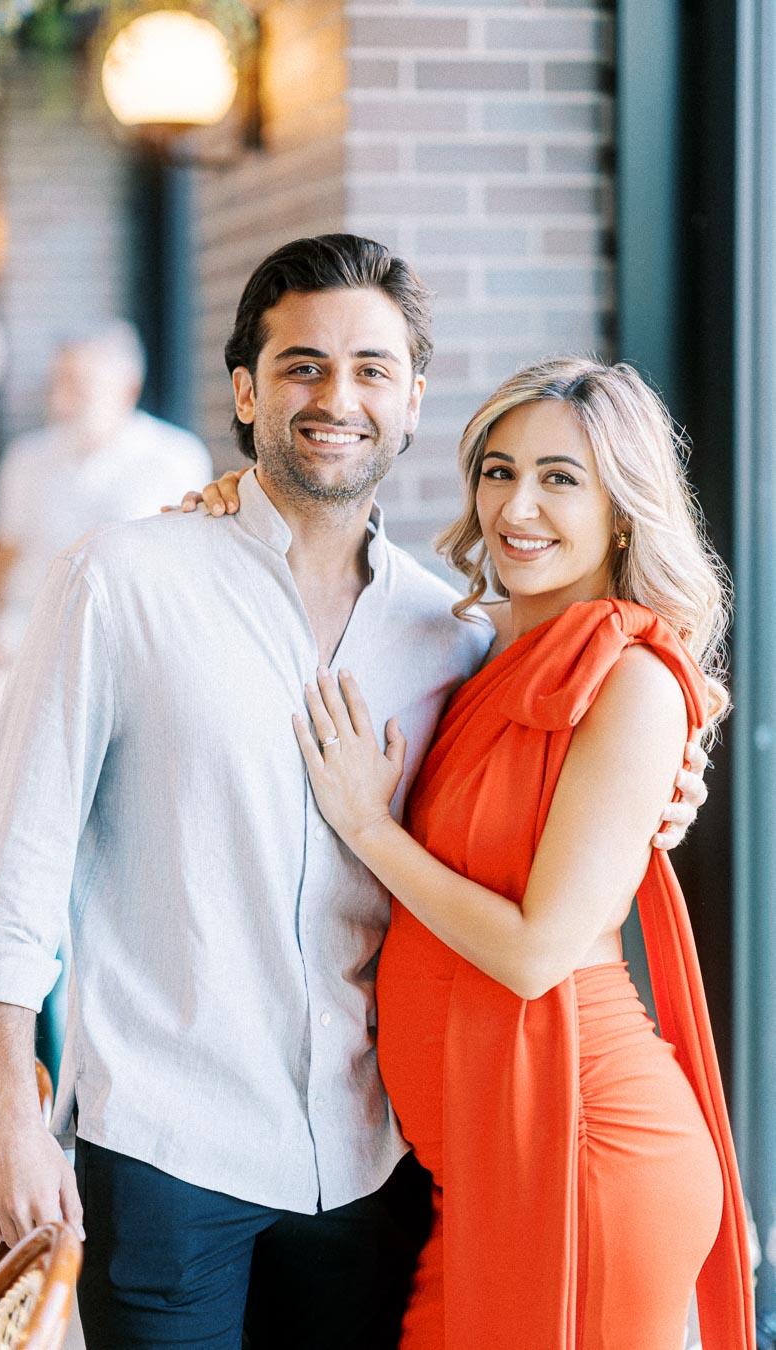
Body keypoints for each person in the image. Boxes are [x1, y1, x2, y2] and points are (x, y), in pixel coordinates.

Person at [0, 237, 707, 1350]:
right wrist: (8, 1102)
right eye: (302, 366)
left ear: (411, 405)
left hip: (375, 1163)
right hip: (167, 1152)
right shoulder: (125, 580)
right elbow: (13, 859)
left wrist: (666, 784)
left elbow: (578, 757)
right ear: (245, 390)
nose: (335, 397)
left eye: (371, 370)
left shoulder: (447, 632)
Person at [289, 358, 754, 1349]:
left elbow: (538, 950)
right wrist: (215, 512)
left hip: (584, 1146)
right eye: (499, 472)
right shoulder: (473, 644)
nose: (518, 506)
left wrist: (369, 827)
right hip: (484, 1159)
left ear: (623, 509)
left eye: (560, 477)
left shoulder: (632, 681)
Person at [0, 321, 212, 660]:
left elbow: (195, 568)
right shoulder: (25, 458)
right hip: (33, 640)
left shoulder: (176, 457)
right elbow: (1, 556)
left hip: (133, 646)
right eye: (57, 384)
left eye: (78, 385)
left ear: (129, 389)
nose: (61, 402)